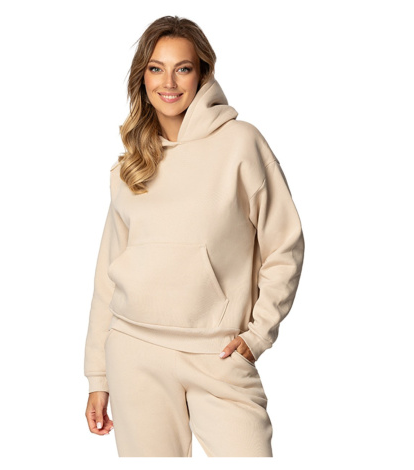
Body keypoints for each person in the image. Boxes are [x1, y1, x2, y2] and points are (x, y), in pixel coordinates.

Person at [83, 15, 305, 457]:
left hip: (217, 354)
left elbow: (284, 246)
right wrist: (98, 376)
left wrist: (257, 336)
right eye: (156, 68)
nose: (168, 82)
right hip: (134, 353)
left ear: (202, 73)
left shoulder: (241, 144)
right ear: (142, 77)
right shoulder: (131, 164)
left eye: (182, 68)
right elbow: (108, 275)